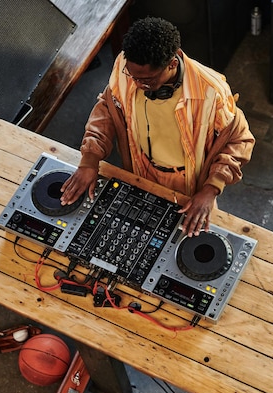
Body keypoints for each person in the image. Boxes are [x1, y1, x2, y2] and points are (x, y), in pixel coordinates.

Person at [60, 17, 255, 237]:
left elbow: (240, 140)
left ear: (172, 63)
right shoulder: (126, 65)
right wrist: (89, 160)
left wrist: (211, 189)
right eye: (133, 77)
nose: (138, 85)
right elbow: (107, 106)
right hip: (139, 168)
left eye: (148, 80)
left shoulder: (211, 91)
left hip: (187, 183)